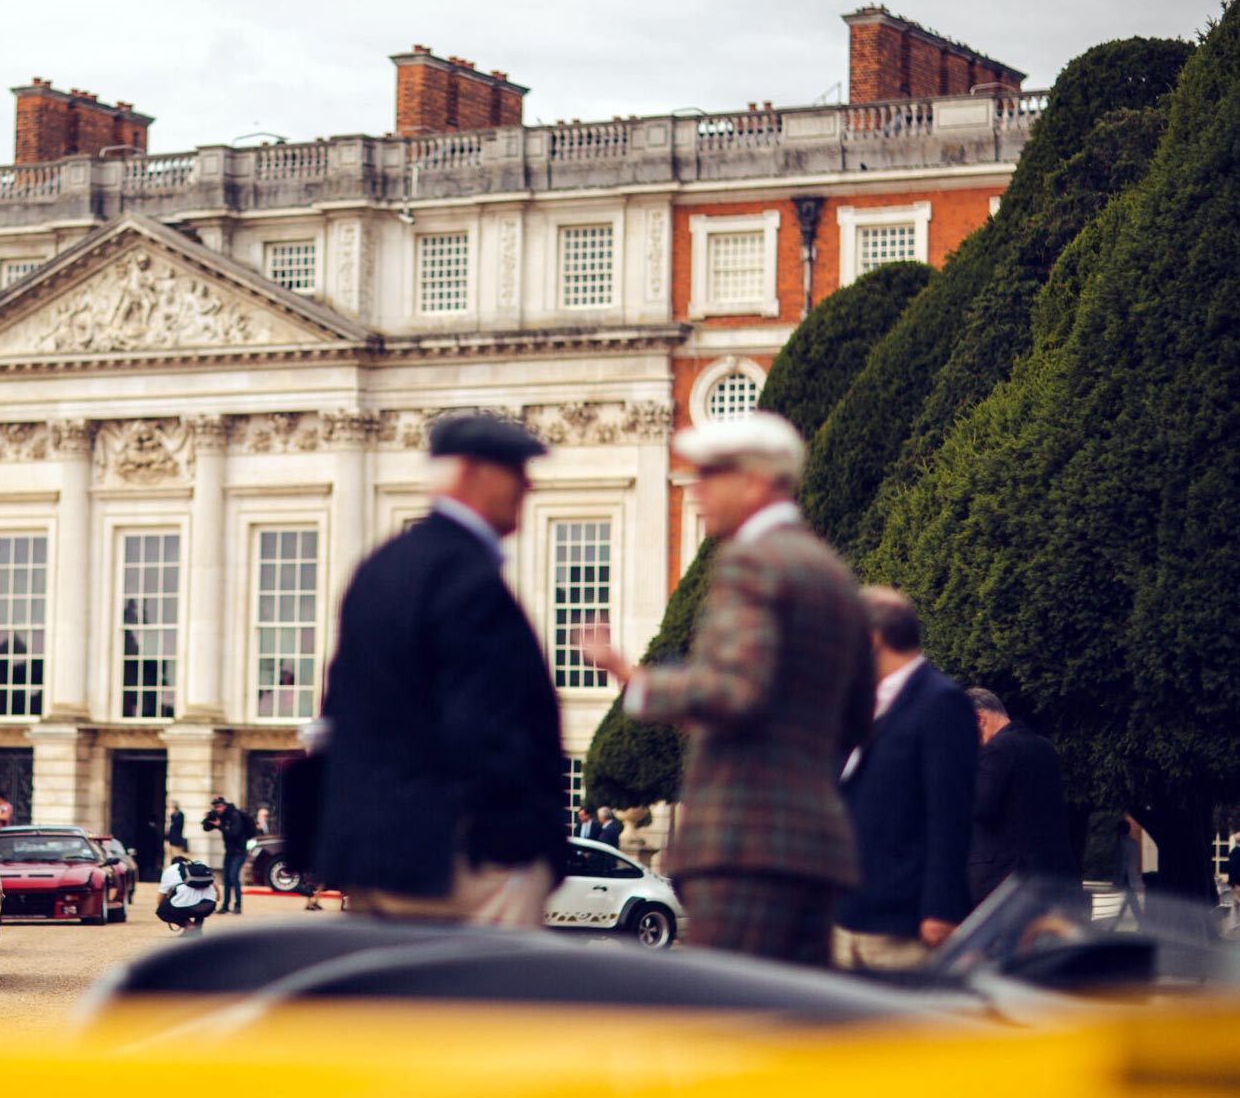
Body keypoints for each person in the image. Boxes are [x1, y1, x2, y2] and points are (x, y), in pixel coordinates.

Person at [580, 413, 873, 966]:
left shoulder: (752, 563)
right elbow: (857, 715)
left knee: (735, 1027)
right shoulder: (831, 571)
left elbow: (736, 692)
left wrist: (631, 677)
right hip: (815, 843)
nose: (697, 488)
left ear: (757, 481)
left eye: (713, 473)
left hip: (745, 843)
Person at [313, 414, 564, 928]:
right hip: (459, 861)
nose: (529, 485)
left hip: (375, 858)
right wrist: (525, 844)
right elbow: (489, 730)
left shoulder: (379, 566)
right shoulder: (468, 578)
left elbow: (340, 708)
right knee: (486, 1004)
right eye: (516, 470)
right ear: (474, 474)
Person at [833, 588, 979, 972]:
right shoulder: (863, 703)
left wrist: (941, 910)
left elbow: (950, 812)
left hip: (904, 924)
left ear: (872, 637)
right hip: (847, 915)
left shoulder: (941, 702)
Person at [965, 688, 1079, 907]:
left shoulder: (997, 750)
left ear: (980, 719)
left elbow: (979, 808)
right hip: (1054, 877)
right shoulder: (1045, 747)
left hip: (1006, 883)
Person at [203, 797, 252, 915]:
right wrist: (207, 819)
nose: (217, 809)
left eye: (219, 806)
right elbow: (206, 828)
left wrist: (220, 825)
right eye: (215, 807)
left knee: (233, 877)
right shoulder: (221, 816)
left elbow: (234, 834)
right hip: (229, 852)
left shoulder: (235, 816)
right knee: (226, 879)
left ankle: (238, 906)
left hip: (239, 852)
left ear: (224, 805)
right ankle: (225, 906)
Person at [156, 855, 218, 933]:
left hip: (186, 906)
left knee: (162, 911)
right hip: (209, 906)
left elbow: (161, 895)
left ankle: (190, 926)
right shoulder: (199, 869)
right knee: (198, 902)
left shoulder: (171, 870)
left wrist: (163, 906)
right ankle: (197, 927)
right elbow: (217, 890)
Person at [1112, 819, 1145, 919]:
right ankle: (1117, 922)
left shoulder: (1121, 842)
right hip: (1132, 875)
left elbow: (1121, 862)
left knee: (1131, 900)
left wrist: (1117, 877)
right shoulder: (1134, 843)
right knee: (1130, 899)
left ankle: (1141, 920)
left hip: (1125, 876)